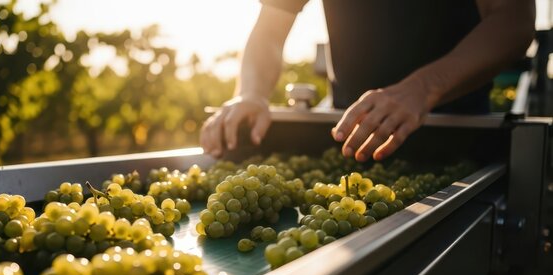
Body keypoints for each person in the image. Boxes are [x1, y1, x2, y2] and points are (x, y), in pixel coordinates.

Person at [200, 0, 535, 162]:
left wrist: (422, 88)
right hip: (349, 138)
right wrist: (252, 93)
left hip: (456, 139)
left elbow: (513, 22)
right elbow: (270, 29)